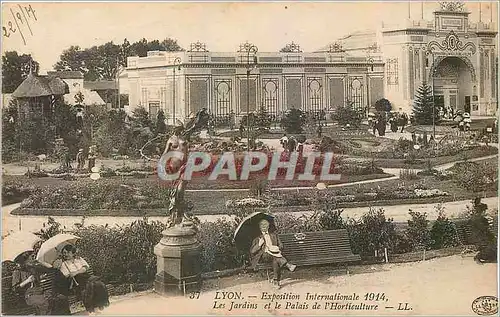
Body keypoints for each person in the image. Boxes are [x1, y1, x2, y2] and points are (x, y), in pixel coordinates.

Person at [56, 245, 109, 313]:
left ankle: (100, 305)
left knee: (99, 284)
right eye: (64, 253)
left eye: (67, 252)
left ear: (72, 252)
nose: (65, 255)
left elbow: (85, 268)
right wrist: (71, 274)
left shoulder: (79, 259)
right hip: (76, 282)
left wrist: (76, 272)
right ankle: (93, 309)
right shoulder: (64, 264)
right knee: (90, 286)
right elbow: (65, 275)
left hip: (86, 277)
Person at [250, 219, 296, 289]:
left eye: (265, 225)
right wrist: (259, 244)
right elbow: (252, 251)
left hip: (275, 255)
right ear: (260, 227)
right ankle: (287, 264)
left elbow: (281, 246)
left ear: (268, 226)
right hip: (264, 256)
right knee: (276, 258)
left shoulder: (274, 235)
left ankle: (276, 281)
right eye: (262, 225)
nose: (264, 226)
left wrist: (277, 248)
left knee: (275, 260)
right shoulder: (257, 238)